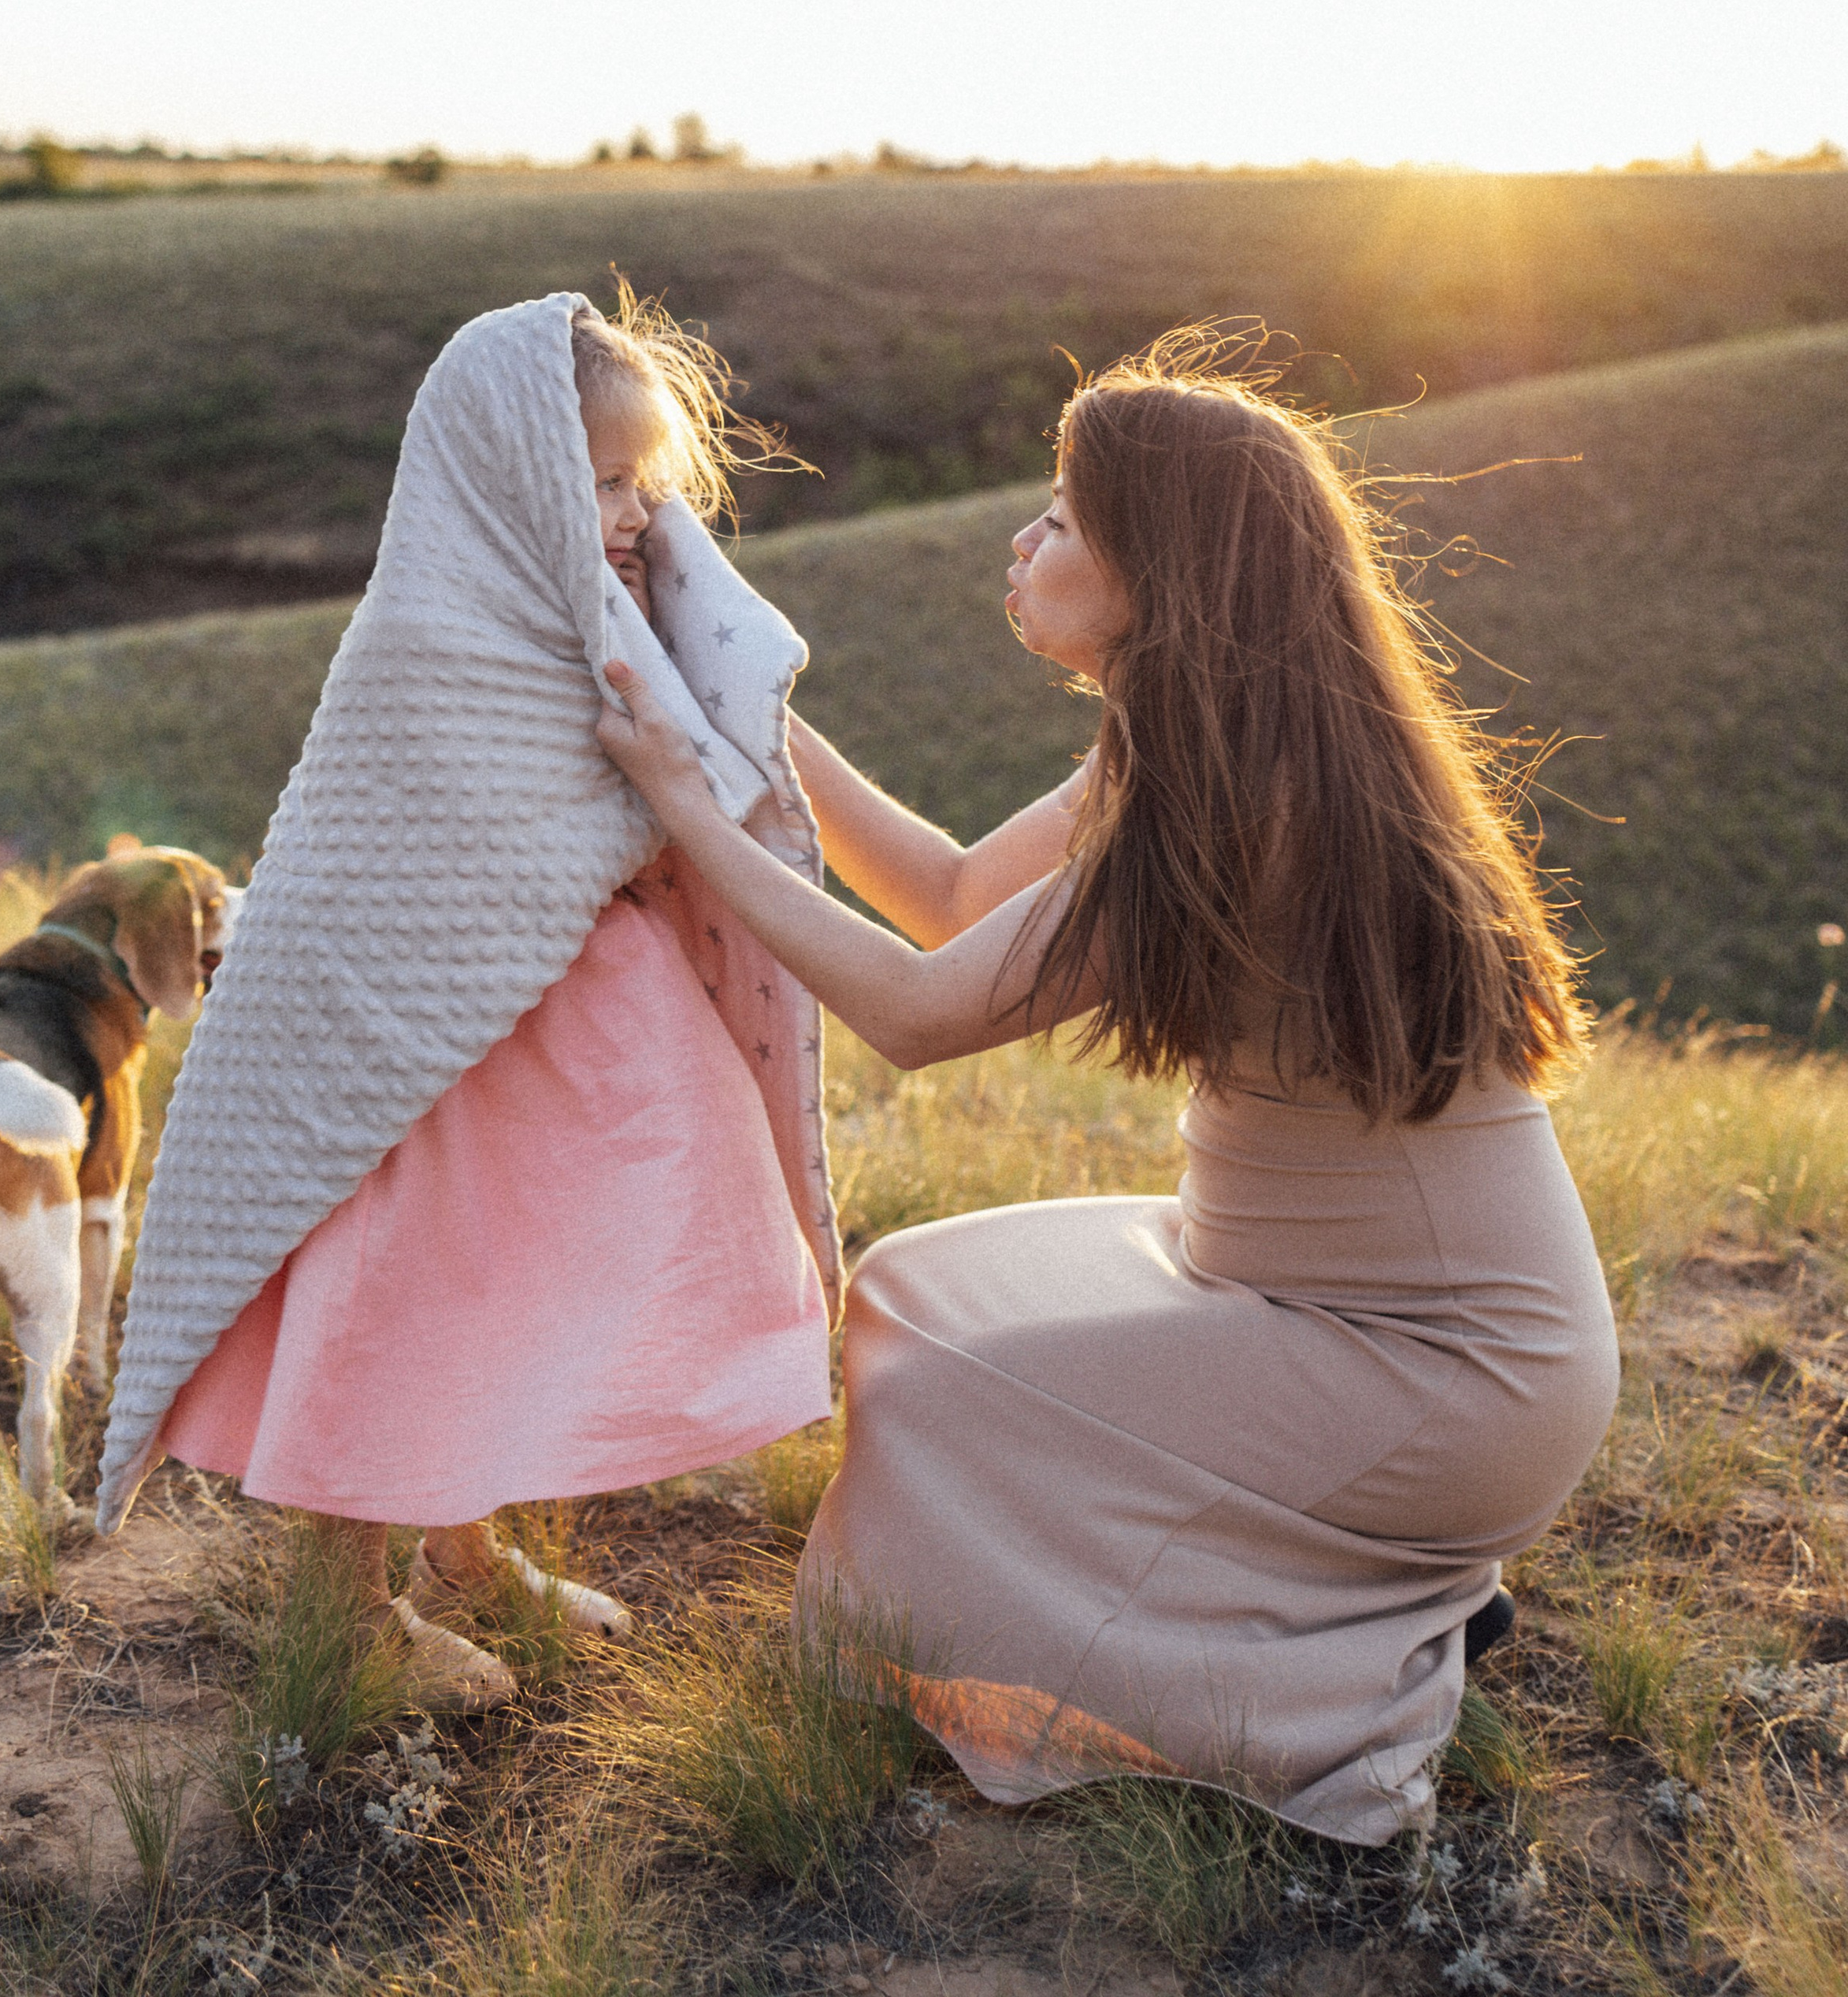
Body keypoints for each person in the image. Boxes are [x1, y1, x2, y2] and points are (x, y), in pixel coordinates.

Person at [597, 335, 1620, 1843]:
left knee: (944, 1404)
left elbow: (917, 1008)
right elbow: (947, 895)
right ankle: (1355, 1589)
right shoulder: (1196, 742)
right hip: (1292, 1301)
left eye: (1065, 517)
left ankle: (1345, 1683)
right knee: (906, 1301)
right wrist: (742, 711)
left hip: (1446, 1382)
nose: (1024, 539)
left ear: (1164, 569)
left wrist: (688, 803)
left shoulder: (1234, 801)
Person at [98, 291, 838, 1704]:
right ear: (512, 478)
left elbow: (682, 761)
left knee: (526, 1267)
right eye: (601, 480)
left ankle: (465, 1546)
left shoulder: (599, 605)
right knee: (404, 1283)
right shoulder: (443, 631)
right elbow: (442, 829)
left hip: (556, 1005)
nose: (632, 512)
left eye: (645, 482)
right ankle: (345, 1606)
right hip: (414, 1031)